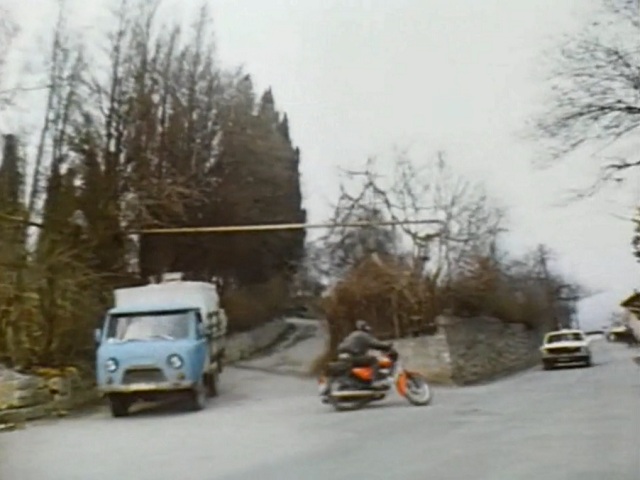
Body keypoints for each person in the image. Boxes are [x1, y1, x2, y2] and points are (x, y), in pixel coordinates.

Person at [336, 319, 395, 388]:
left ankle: (362, 382)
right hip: (352, 357)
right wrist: (388, 345)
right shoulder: (363, 335)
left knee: (364, 360)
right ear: (365, 327)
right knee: (373, 360)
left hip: (342, 357)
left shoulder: (352, 334)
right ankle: (375, 382)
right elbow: (375, 344)